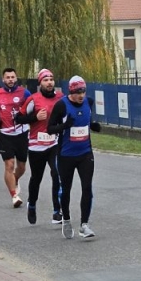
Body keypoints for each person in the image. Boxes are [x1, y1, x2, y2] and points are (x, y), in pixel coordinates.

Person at [45, 76, 102, 239]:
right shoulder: (62, 105)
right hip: (66, 155)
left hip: (85, 153)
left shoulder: (88, 102)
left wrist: (93, 126)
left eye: (83, 91)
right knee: (66, 189)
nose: (81, 95)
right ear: (71, 91)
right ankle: (67, 219)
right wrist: (64, 126)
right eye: (78, 92)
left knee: (87, 187)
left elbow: (85, 120)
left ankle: (84, 225)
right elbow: (50, 129)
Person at [15, 69, 63, 225]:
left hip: (54, 143)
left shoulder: (61, 98)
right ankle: (32, 204)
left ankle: (57, 212)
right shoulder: (34, 99)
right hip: (36, 145)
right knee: (37, 178)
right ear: (40, 83)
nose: (49, 82)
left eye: (51, 79)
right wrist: (35, 117)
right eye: (46, 80)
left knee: (57, 174)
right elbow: (19, 118)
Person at [0, 67, 31, 208]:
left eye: (13, 77)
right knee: (9, 165)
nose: (10, 80)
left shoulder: (24, 92)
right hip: (6, 134)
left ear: (16, 78)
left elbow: (33, 106)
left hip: (22, 133)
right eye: (8, 77)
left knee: (22, 167)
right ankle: (14, 196)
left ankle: (15, 179)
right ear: (3, 79)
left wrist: (26, 117)